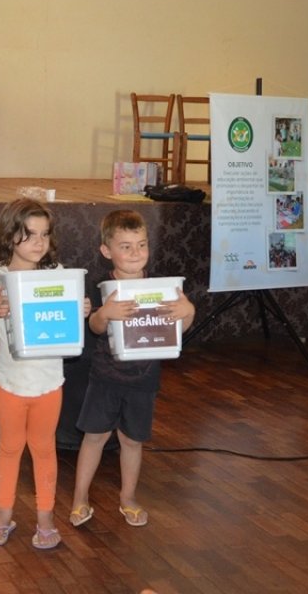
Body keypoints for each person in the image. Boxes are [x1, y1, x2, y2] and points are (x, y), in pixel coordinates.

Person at [0, 198, 90, 551]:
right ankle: (4, 515)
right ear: (10, 236)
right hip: (8, 382)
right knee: (9, 448)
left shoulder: (58, 274)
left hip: (49, 382)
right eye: (30, 234)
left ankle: (46, 517)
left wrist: (80, 310)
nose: (39, 242)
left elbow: (69, 325)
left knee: (43, 448)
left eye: (45, 234)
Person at [69, 209, 195, 529]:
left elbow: (181, 326)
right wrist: (106, 313)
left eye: (141, 244)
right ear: (106, 251)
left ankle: (128, 497)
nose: (135, 253)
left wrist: (188, 310)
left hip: (144, 379)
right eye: (125, 246)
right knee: (94, 438)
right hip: (105, 379)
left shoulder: (163, 289)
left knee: (132, 441)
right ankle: (80, 497)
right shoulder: (104, 290)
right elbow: (95, 327)